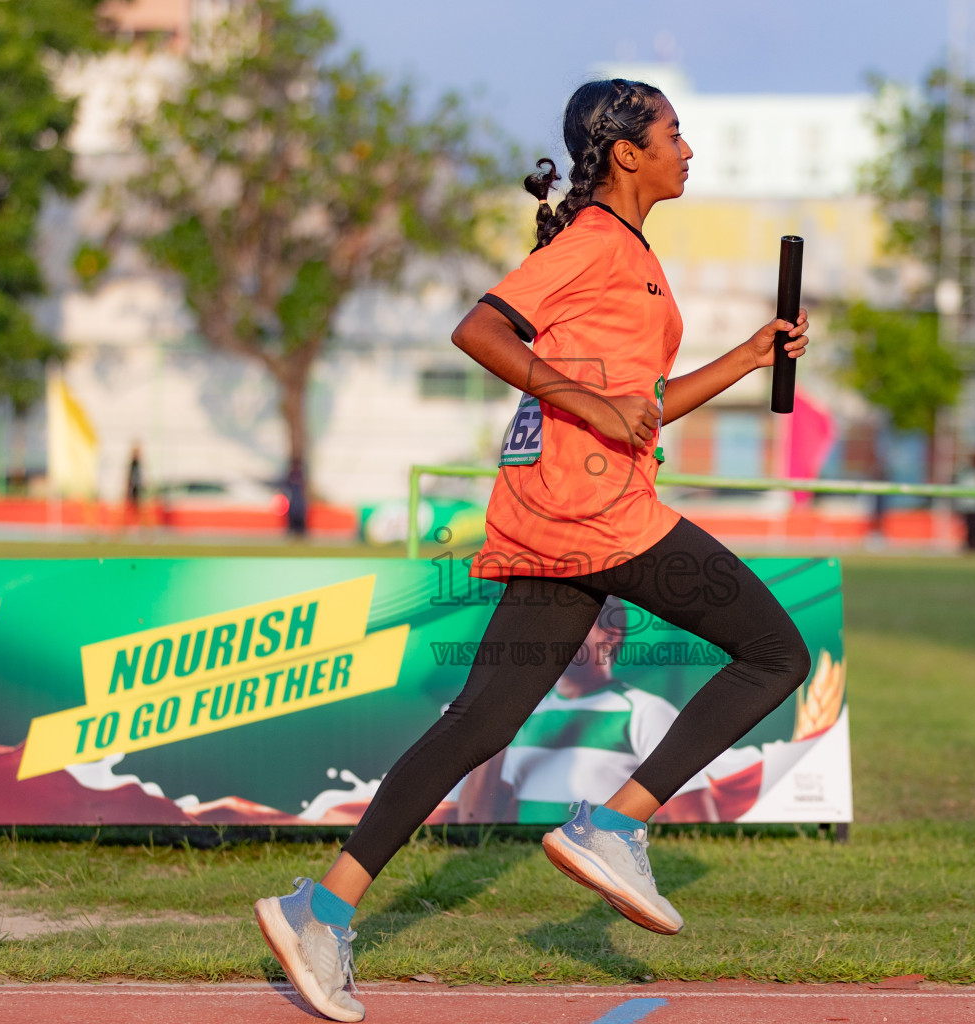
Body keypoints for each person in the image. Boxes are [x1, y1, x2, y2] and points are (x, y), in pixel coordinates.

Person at [251, 79, 812, 1022]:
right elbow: (479, 328)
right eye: (675, 133)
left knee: (481, 723)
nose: (688, 147)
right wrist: (586, 403)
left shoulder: (628, 253)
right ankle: (614, 825)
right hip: (593, 510)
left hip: (573, 508)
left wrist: (749, 358)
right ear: (627, 151)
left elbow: (645, 407)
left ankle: (322, 906)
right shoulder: (593, 241)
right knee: (776, 653)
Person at [458, 596, 717, 824]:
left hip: (599, 873)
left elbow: (693, 823)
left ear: (609, 636)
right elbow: (475, 821)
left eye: (566, 622)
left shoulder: (647, 712)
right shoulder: (519, 714)